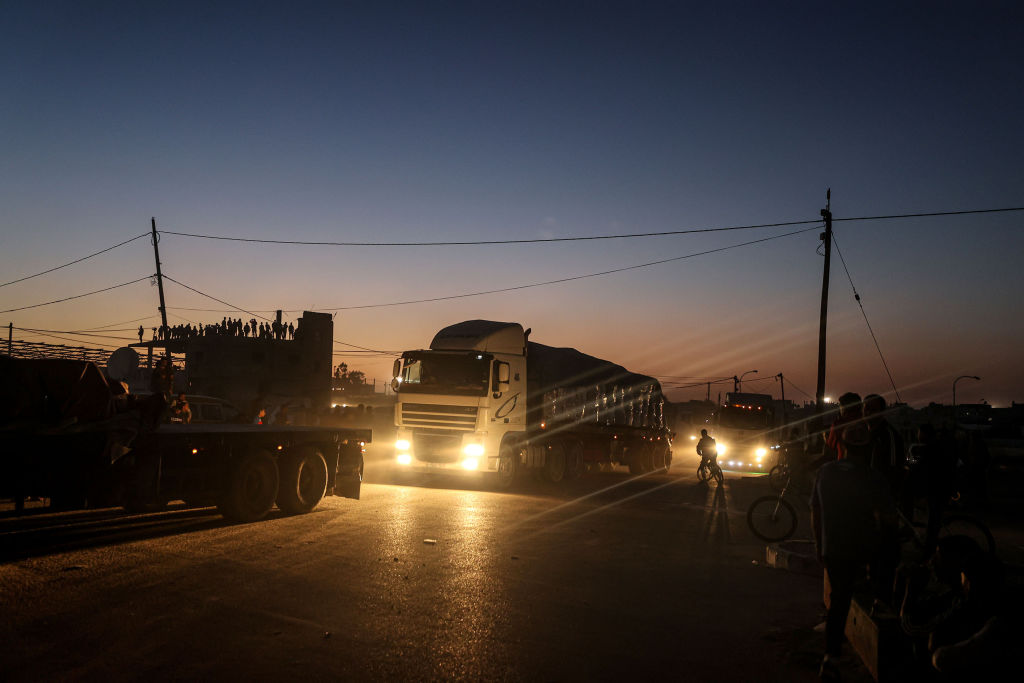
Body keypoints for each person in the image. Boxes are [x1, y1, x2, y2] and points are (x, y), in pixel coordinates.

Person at [811, 422, 897, 678]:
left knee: (839, 602)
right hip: (864, 548)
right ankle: (883, 608)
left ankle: (831, 657)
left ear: (843, 446)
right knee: (882, 578)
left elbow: (815, 511)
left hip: (833, 548)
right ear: (868, 447)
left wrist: (819, 544)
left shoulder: (825, 472)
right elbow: (888, 519)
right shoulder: (873, 477)